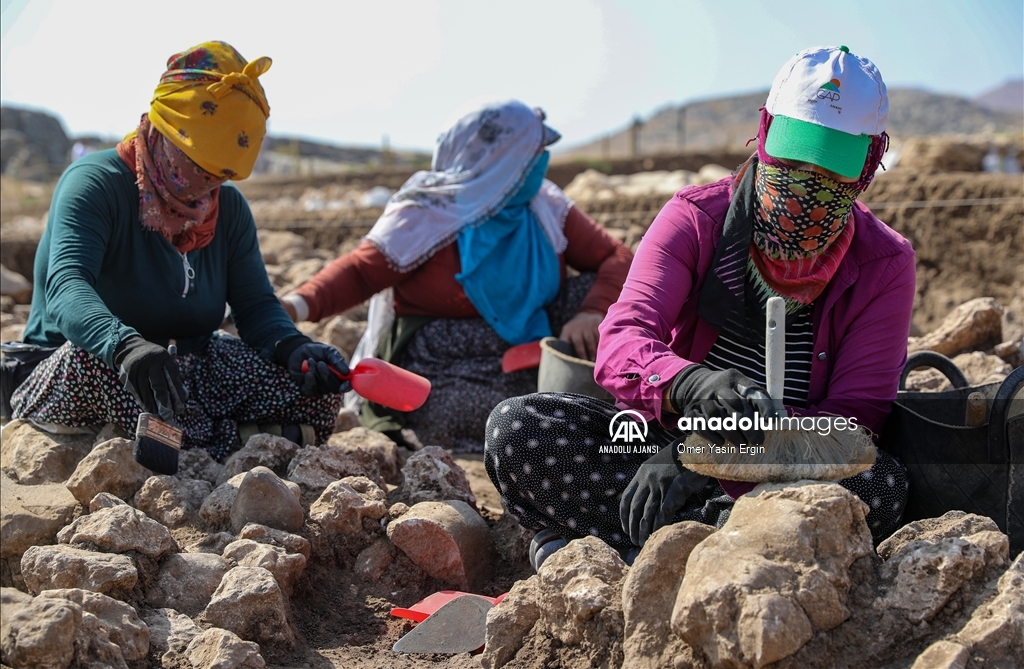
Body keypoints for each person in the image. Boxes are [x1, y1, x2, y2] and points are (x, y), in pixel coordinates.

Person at [484, 46, 916, 568]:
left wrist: (711, 456)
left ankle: (626, 548)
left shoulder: (884, 263)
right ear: (765, 133)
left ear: (869, 163)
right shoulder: (695, 218)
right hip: (658, 446)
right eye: (794, 155)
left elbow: (853, 419)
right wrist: (689, 386)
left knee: (881, 486)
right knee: (519, 428)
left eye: (832, 166)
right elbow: (623, 339)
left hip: (791, 464)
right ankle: (717, 552)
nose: (806, 179)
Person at [9, 41, 350, 461]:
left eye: (220, 174)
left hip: (186, 365)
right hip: (89, 363)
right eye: (198, 163)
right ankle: (244, 442)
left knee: (315, 390)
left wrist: (293, 348)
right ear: (168, 130)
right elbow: (66, 286)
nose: (207, 182)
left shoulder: (228, 210)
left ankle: (205, 442)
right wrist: (125, 346)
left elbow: (256, 306)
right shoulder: (95, 184)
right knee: (104, 372)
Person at [280, 99, 633, 451]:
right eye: (533, 152)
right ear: (499, 160)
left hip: (537, 333)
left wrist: (592, 311)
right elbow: (360, 273)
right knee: (469, 412)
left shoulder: (545, 205)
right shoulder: (427, 212)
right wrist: (292, 307)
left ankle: (578, 403)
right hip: (449, 358)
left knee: (614, 306)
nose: (541, 161)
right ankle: (562, 413)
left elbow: (616, 256)